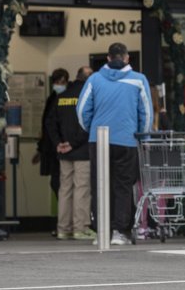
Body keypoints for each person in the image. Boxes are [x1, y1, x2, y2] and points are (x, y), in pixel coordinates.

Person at [77, 42, 153, 246]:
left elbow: (82, 110)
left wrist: (92, 129)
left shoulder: (94, 79)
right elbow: (145, 113)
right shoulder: (139, 80)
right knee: (123, 186)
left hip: (98, 140)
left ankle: (102, 230)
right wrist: (142, 137)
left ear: (108, 58)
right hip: (127, 140)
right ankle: (119, 231)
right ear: (127, 58)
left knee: (99, 185)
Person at [46, 66, 96, 240]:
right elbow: (88, 125)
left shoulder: (62, 96)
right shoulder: (89, 96)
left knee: (65, 189)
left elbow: (50, 123)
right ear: (90, 79)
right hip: (81, 151)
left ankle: (63, 228)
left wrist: (58, 143)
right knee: (81, 189)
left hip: (63, 152)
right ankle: (80, 228)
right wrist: (72, 144)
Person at [34, 68, 69, 202]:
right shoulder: (52, 98)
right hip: (52, 148)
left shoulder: (64, 98)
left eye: (61, 82)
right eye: (57, 82)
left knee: (59, 183)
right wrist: (40, 150)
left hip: (61, 147)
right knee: (56, 182)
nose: (59, 85)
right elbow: (46, 125)